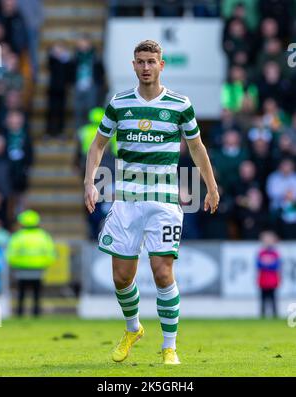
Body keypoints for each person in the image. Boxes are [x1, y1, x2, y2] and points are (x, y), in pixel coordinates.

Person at [84, 40, 219, 365]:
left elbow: (197, 147)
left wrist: (211, 187)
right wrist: (89, 181)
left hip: (164, 202)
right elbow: (98, 145)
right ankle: (133, 329)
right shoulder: (119, 103)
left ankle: (169, 347)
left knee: (162, 272)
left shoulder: (179, 104)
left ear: (162, 65)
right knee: (121, 277)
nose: (146, 67)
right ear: (133, 65)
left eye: (151, 61)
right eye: (140, 61)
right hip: (127, 201)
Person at [6, 210, 56, 316]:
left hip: (21, 270)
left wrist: (17, 264)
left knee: (21, 294)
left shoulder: (17, 237)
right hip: (38, 270)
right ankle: (36, 314)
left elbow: (10, 255)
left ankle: (19, 314)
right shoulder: (43, 236)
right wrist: (42, 264)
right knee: (37, 294)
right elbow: (51, 254)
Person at [257, 230, 281, 318]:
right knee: (263, 299)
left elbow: (276, 265)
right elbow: (258, 265)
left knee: (273, 299)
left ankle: (275, 315)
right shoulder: (261, 253)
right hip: (263, 280)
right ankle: (262, 315)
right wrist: (269, 263)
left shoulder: (275, 253)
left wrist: (266, 263)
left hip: (272, 281)